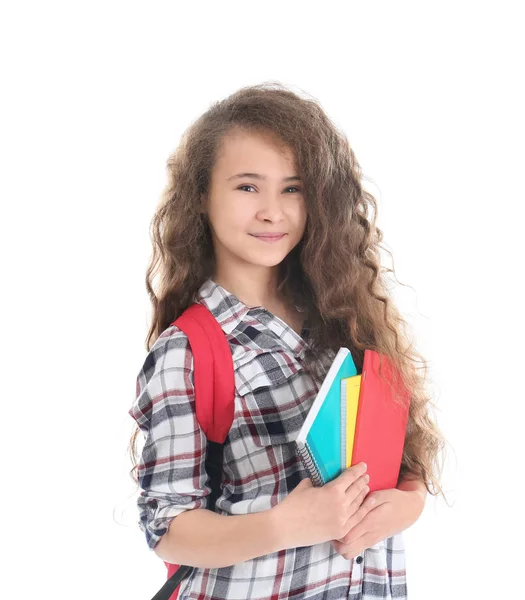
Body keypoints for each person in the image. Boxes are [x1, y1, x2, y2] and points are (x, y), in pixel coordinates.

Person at [128, 82, 448, 599]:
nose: (272, 211)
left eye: (293, 188)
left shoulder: (343, 316)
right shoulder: (188, 351)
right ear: (202, 199)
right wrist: (288, 524)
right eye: (248, 187)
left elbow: (394, 459)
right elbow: (168, 528)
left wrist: (407, 503)